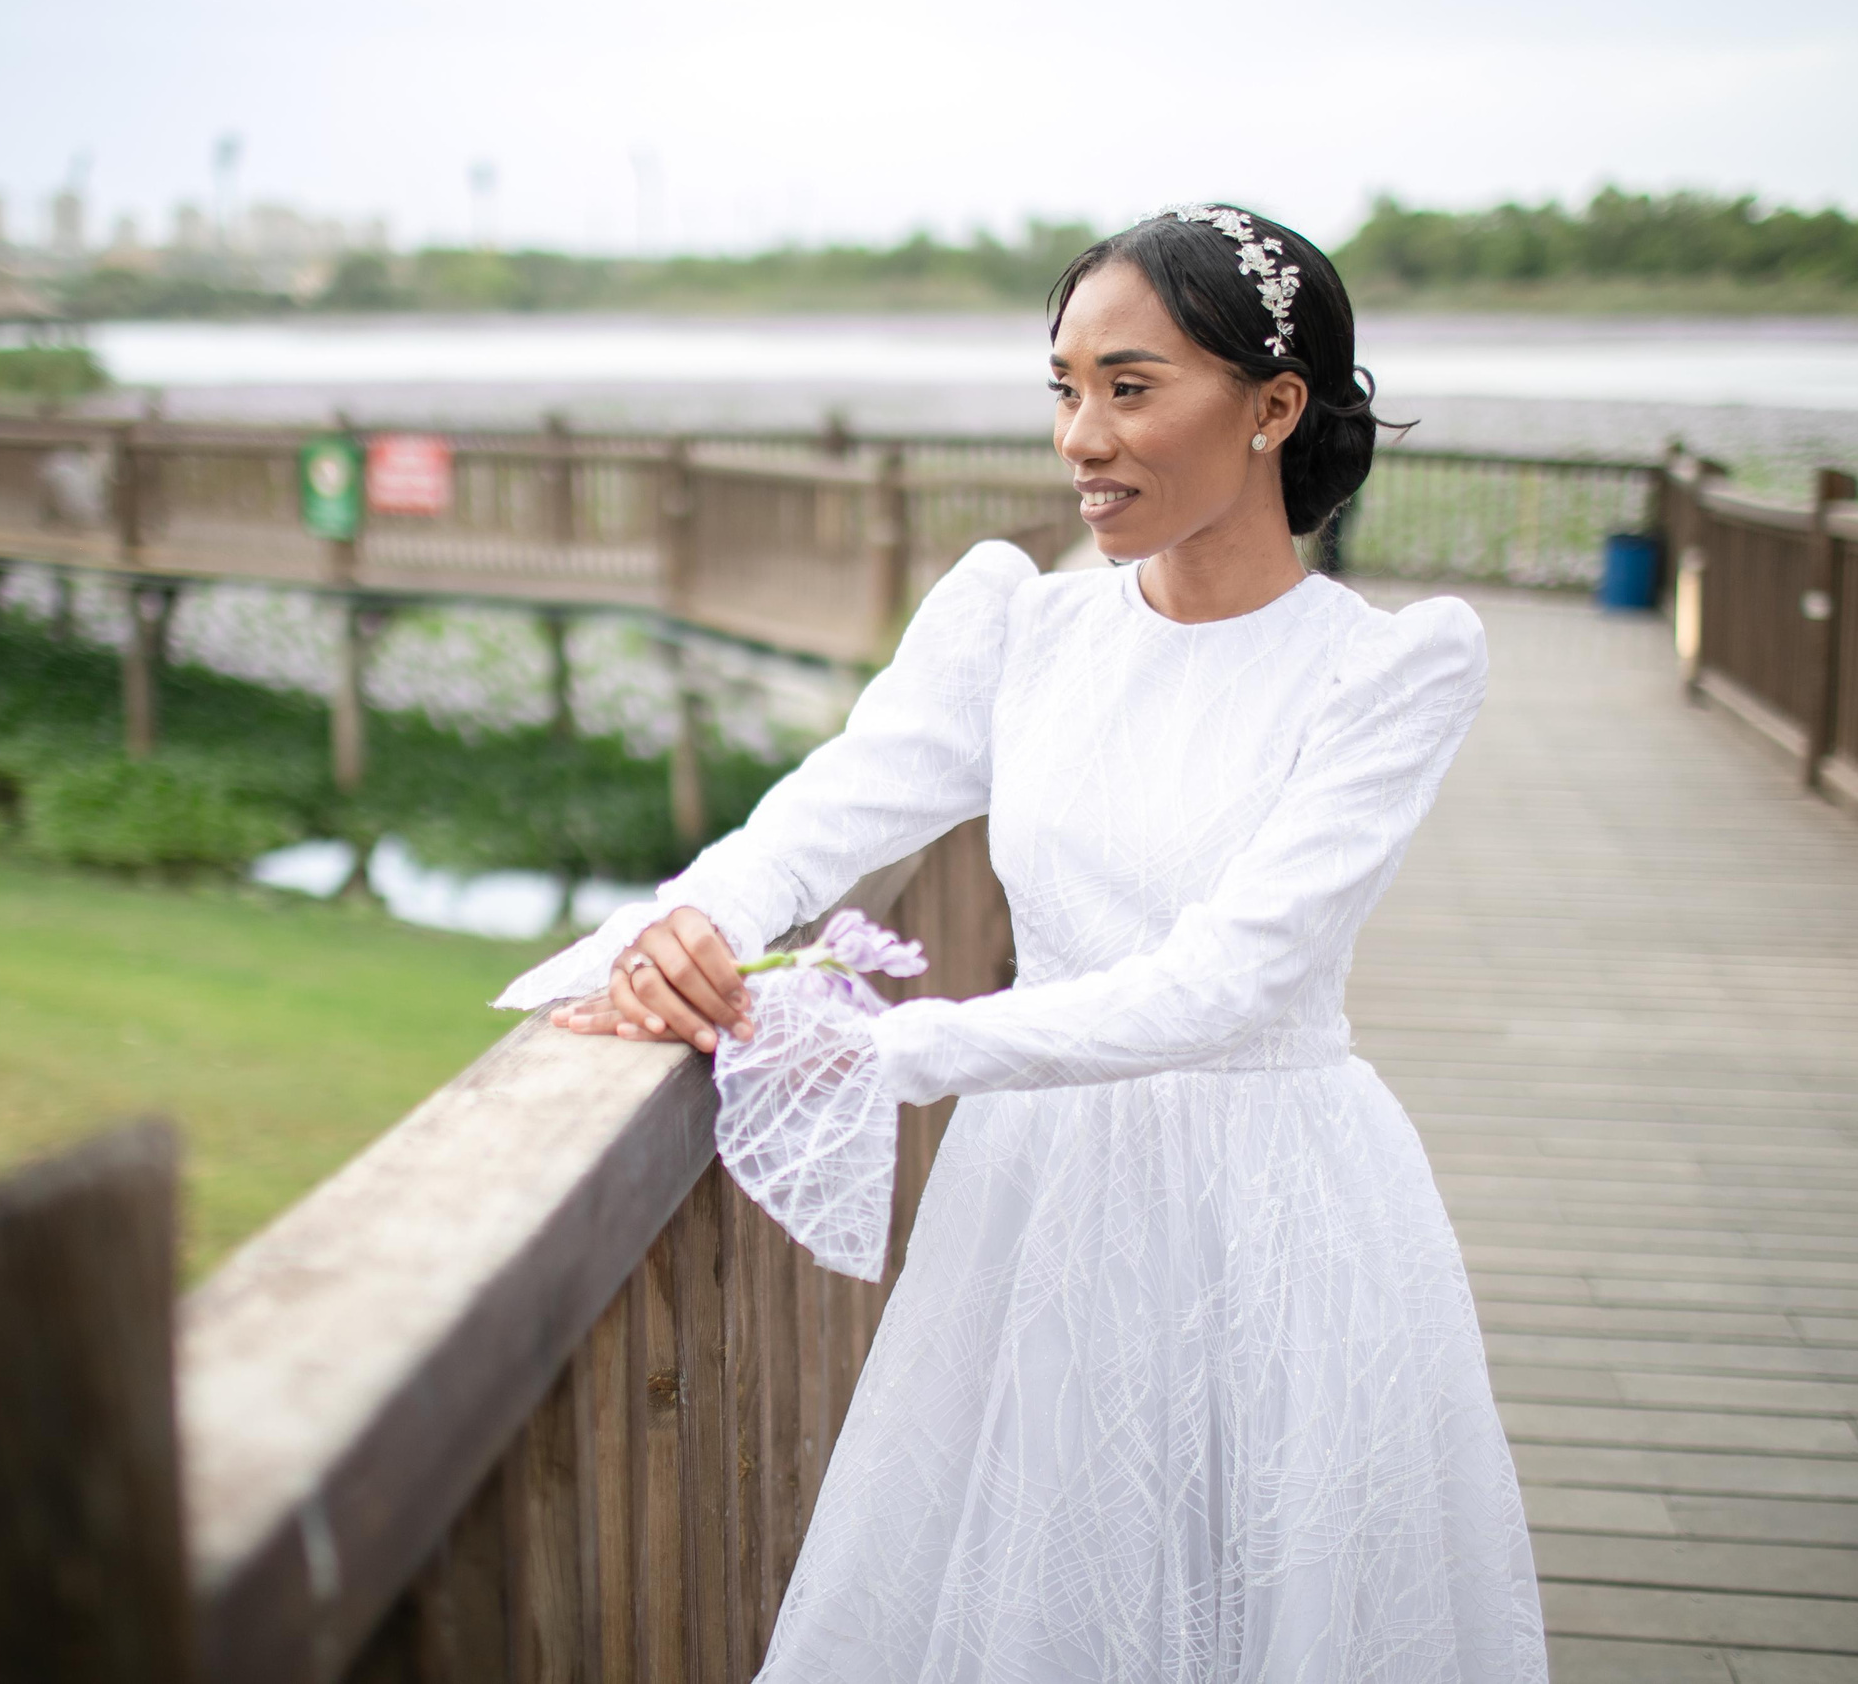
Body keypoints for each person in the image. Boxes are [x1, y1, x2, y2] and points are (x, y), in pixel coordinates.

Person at [497, 204, 1545, 1683]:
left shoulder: (1389, 667)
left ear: (1273, 406)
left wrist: (871, 1049)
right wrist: (695, 927)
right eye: (1063, 388)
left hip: (1273, 1197)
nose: (1081, 438)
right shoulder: (1020, 627)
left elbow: (1226, 983)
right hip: (1037, 1191)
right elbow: (822, 819)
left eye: (1131, 387)